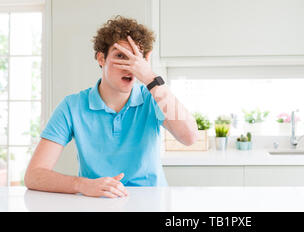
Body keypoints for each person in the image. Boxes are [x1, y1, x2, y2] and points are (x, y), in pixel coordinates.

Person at [24, 16, 198, 198]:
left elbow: (190, 137)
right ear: (101, 58)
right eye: (121, 56)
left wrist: (151, 79)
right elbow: (34, 175)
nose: (129, 66)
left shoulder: (154, 97)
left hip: (151, 201)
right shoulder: (72, 106)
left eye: (135, 58)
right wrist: (82, 184)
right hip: (98, 201)